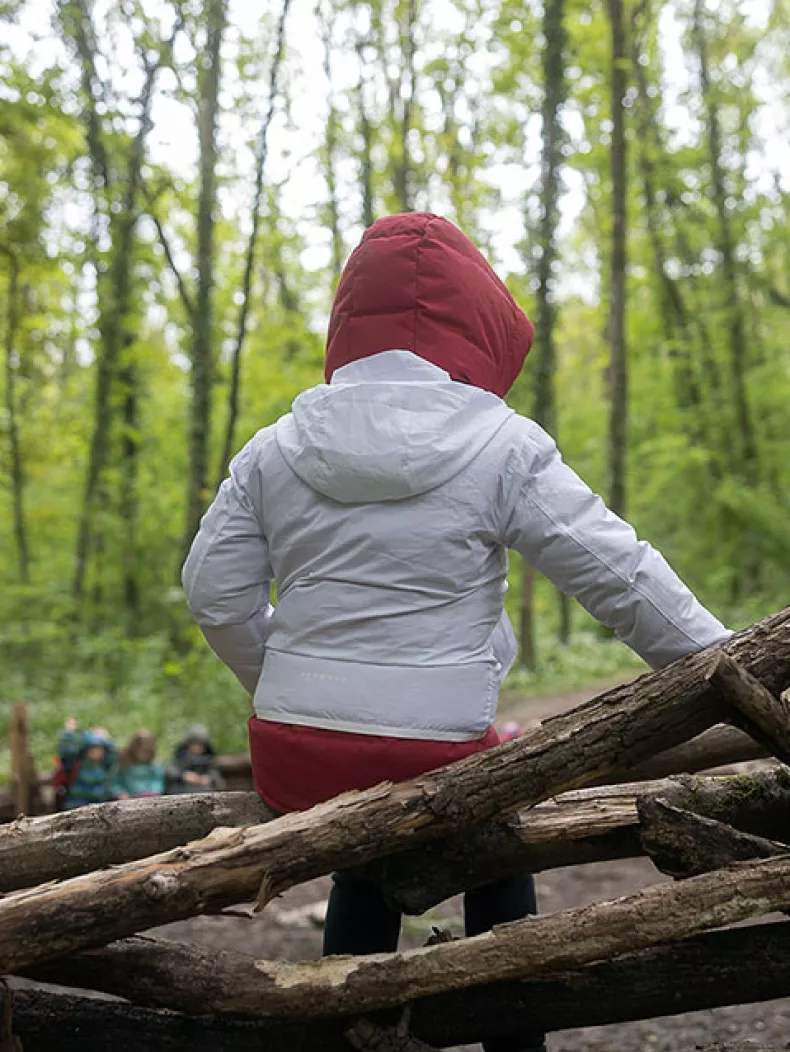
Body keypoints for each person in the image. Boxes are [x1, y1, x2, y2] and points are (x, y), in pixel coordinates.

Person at [182, 213, 729, 1052]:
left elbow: (213, 595)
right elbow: (620, 577)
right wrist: (726, 669)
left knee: (362, 845)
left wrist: (286, 689)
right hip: (436, 750)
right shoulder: (499, 445)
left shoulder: (275, 449)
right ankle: (514, 1034)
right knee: (495, 838)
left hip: (294, 750)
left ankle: (346, 1020)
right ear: (474, 321)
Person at [54, 720, 116, 810]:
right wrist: (69, 733)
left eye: (99, 749)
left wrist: (107, 739)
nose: (96, 752)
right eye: (93, 749)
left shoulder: (104, 765)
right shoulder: (76, 763)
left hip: (98, 804)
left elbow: (114, 755)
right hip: (76, 804)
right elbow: (65, 751)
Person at [164, 724, 224, 794]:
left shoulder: (207, 760)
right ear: (188, 744)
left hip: (202, 794)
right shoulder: (179, 757)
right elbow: (168, 769)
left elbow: (217, 778)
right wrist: (184, 776)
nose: (197, 747)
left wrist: (208, 779)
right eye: (194, 744)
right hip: (180, 792)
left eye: (200, 744)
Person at [113, 730, 165, 798]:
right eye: (140, 751)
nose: (143, 754)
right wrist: (120, 793)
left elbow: (157, 781)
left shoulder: (154, 766)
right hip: (128, 799)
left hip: (149, 798)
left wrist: (153, 792)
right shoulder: (123, 764)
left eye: (146, 751)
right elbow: (114, 783)